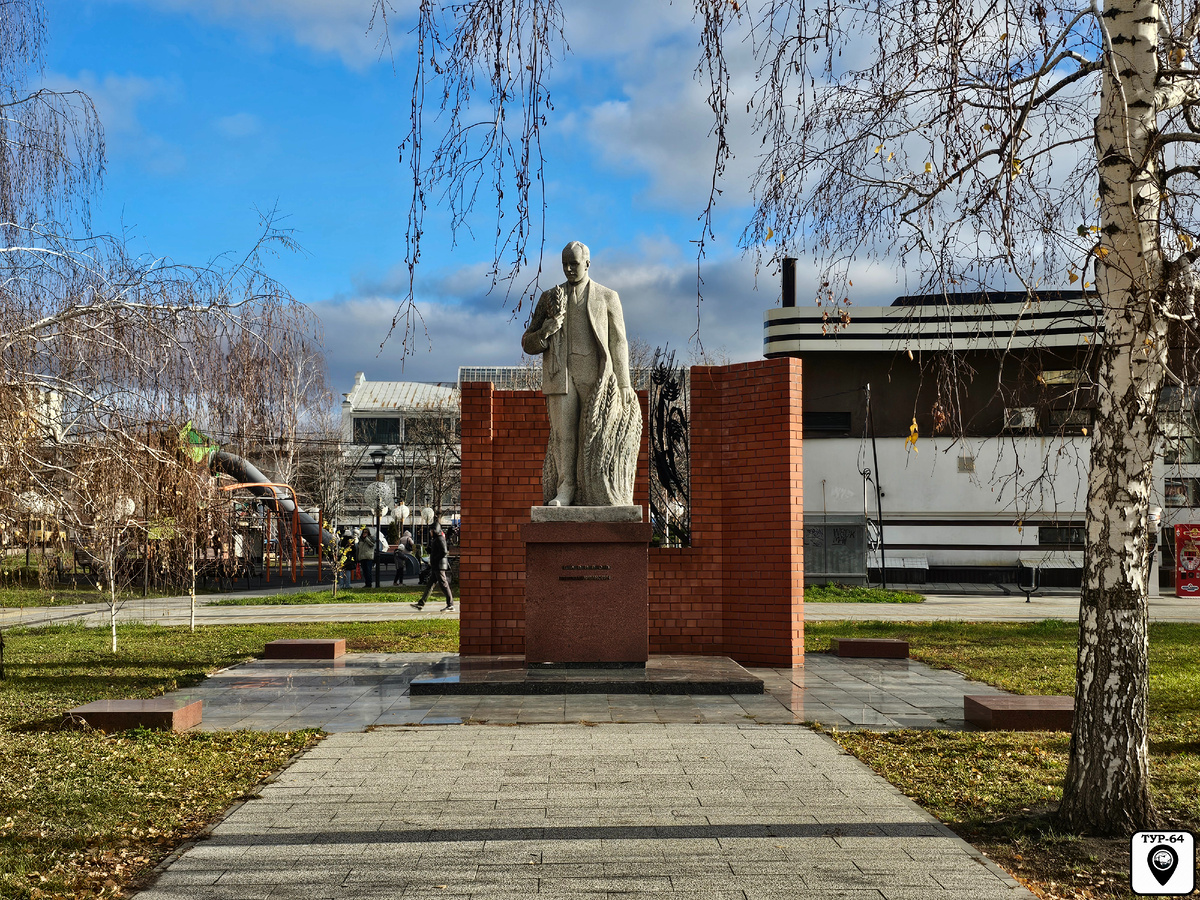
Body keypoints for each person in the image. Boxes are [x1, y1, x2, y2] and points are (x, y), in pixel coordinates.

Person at [521, 240, 641, 507]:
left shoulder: (608, 296)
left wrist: (623, 383)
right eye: (564, 264)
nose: (568, 269)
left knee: (595, 435)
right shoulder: (550, 298)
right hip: (561, 377)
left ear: (587, 263)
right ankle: (565, 490)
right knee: (564, 437)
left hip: (596, 377)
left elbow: (619, 341)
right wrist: (545, 332)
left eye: (573, 264)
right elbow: (528, 342)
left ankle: (595, 490)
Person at [412, 520, 454, 611]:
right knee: (430, 584)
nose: (430, 532)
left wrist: (434, 558)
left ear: (436, 530)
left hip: (439, 565)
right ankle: (421, 603)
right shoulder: (436, 539)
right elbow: (438, 551)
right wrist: (430, 550)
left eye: (432, 530)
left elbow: (444, 552)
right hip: (436, 565)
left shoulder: (440, 538)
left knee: (443, 584)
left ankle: (450, 604)